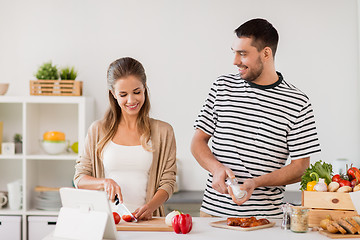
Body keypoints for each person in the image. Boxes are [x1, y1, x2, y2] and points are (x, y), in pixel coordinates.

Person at [191, 18, 321, 218]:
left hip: (265, 221)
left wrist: (257, 182)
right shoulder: (222, 87)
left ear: (266, 53)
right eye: (234, 52)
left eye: (242, 54)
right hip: (213, 217)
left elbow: (300, 168)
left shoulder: (298, 102)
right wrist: (216, 168)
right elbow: (197, 142)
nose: (235, 61)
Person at [74, 57, 177, 220]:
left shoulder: (164, 131)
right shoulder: (98, 130)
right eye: (123, 94)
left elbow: (168, 182)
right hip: (106, 221)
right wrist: (104, 182)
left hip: (148, 222)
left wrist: (151, 207)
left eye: (137, 92)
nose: (131, 100)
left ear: (145, 88)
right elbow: (79, 179)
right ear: (113, 94)